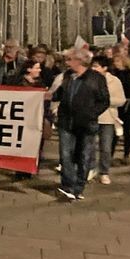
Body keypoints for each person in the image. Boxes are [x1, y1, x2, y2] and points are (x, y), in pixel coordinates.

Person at [51, 48, 110, 201]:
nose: (67, 62)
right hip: (66, 122)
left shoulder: (96, 78)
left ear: (79, 61)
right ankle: (67, 185)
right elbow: (60, 95)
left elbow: (104, 100)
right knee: (65, 155)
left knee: (84, 156)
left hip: (86, 124)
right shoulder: (67, 76)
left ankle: (78, 187)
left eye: (69, 59)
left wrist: (91, 114)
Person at [90, 56, 127, 185]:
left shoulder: (114, 81)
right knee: (90, 145)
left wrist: (105, 101)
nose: (93, 69)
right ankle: (90, 169)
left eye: (96, 66)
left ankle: (104, 172)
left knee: (105, 147)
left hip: (108, 118)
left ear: (104, 68)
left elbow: (121, 100)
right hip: (91, 117)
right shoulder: (88, 79)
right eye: (92, 66)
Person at [110, 52, 130, 160]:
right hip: (116, 104)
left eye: (118, 61)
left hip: (128, 104)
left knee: (127, 131)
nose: (115, 63)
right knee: (114, 131)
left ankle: (126, 154)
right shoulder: (113, 74)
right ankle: (110, 154)